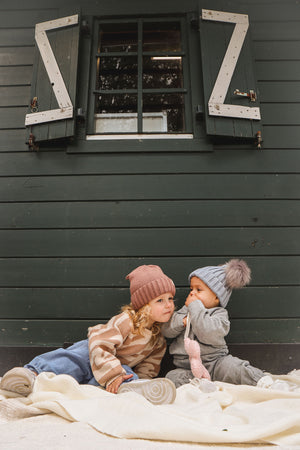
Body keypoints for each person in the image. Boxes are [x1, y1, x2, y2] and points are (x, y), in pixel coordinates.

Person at [0, 265, 177, 405]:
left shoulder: (157, 339)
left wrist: (137, 379)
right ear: (144, 305)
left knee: (127, 374)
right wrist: (113, 373)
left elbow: (148, 368)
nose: (168, 304)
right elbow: (100, 345)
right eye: (160, 300)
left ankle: (136, 390)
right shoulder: (126, 321)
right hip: (94, 354)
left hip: (109, 372)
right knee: (74, 359)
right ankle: (30, 373)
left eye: (170, 298)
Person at [162, 259, 293, 390]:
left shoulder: (220, 314)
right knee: (172, 376)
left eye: (198, 290)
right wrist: (183, 321)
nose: (192, 293)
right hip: (187, 367)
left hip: (216, 363)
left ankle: (264, 382)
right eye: (191, 289)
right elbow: (166, 330)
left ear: (216, 297)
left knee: (236, 368)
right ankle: (201, 385)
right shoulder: (185, 311)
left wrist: (195, 307)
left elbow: (206, 332)